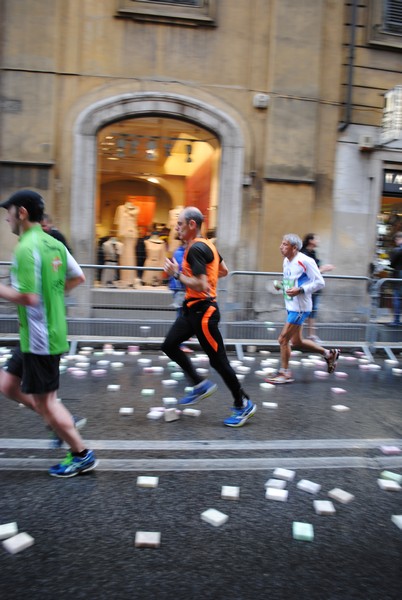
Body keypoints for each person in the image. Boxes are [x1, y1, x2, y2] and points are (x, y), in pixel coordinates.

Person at [0, 189, 97, 477]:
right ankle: (57, 419)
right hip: (38, 332)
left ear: (22, 213)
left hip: (40, 337)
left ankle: (81, 454)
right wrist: (53, 298)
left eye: (9, 211)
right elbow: (77, 277)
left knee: (47, 402)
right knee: (7, 385)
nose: (6, 218)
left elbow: (28, 298)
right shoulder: (53, 243)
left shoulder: (26, 247)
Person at [162, 206, 256, 427]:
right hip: (191, 310)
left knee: (219, 361)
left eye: (180, 224)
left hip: (204, 313)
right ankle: (199, 384)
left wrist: (176, 274)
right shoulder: (207, 245)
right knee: (169, 344)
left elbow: (201, 283)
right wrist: (206, 278)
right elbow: (223, 270)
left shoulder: (195, 249)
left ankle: (243, 403)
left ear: (192, 225)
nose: (177, 228)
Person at [266, 233, 340, 384]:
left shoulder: (306, 261)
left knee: (283, 339)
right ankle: (328, 354)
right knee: (297, 342)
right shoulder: (287, 261)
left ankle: (285, 373)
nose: (281, 247)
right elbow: (291, 282)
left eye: (285, 244)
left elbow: (320, 282)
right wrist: (281, 285)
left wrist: (300, 290)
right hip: (291, 305)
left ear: (294, 247)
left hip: (300, 308)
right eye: (282, 243)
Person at [301, 233, 335, 342]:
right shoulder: (304, 254)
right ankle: (298, 337)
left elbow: (315, 269)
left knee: (313, 310)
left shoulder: (313, 253)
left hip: (314, 287)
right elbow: (308, 271)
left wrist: (322, 269)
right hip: (306, 287)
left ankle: (311, 335)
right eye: (317, 239)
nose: (319, 240)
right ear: (310, 241)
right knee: (302, 311)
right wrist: (323, 269)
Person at [389, 231, 402, 326]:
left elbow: (392, 264)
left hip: (399, 276)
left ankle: (396, 320)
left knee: (397, 298)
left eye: (396, 240)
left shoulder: (397, 250)